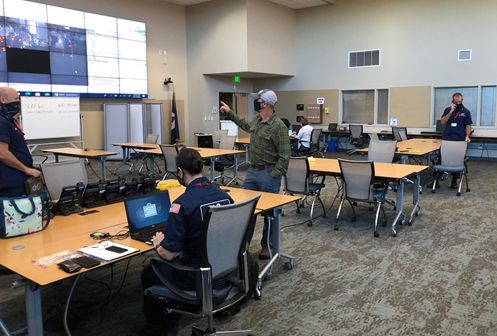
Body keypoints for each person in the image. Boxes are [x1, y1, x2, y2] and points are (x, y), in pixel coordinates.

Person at [141, 148, 233, 336]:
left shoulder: (181, 204)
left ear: (180, 172)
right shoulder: (224, 196)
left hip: (195, 275)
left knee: (149, 273)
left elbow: (170, 254)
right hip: (225, 270)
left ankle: (161, 325)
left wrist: (159, 243)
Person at [220, 89, 291, 259]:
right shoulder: (258, 120)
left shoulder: (279, 126)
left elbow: (285, 156)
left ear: (265, 103)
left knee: (270, 214)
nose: (256, 102)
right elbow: (245, 125)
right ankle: (242, 244)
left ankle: (267, 246)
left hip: (269, 173)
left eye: (258, 100)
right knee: (246, 209)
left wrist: (273, 174)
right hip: (252, 172)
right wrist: (230, 113)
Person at [0, 86, 40, 197]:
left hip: (17, 179)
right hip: (10, 183)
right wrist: (26, 169)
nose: (18, 103)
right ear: (3, 100)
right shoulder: (1, 121)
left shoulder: (9, 120)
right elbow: (2, 153)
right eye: (16, 99)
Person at [439, 92, 473, 188]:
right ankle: (437, 178)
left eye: (459, 101)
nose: (457, 103)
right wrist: (450, 112)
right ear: (453, 100)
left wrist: (467, 136)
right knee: (441, 157)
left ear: (462, 100)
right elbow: (442, 121)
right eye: (456, 101)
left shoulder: (466, 112)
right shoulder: (447, 110)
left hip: (459, 140)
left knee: (456, 160)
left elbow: (468, 125)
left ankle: (454, 180)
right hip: (447, 139)